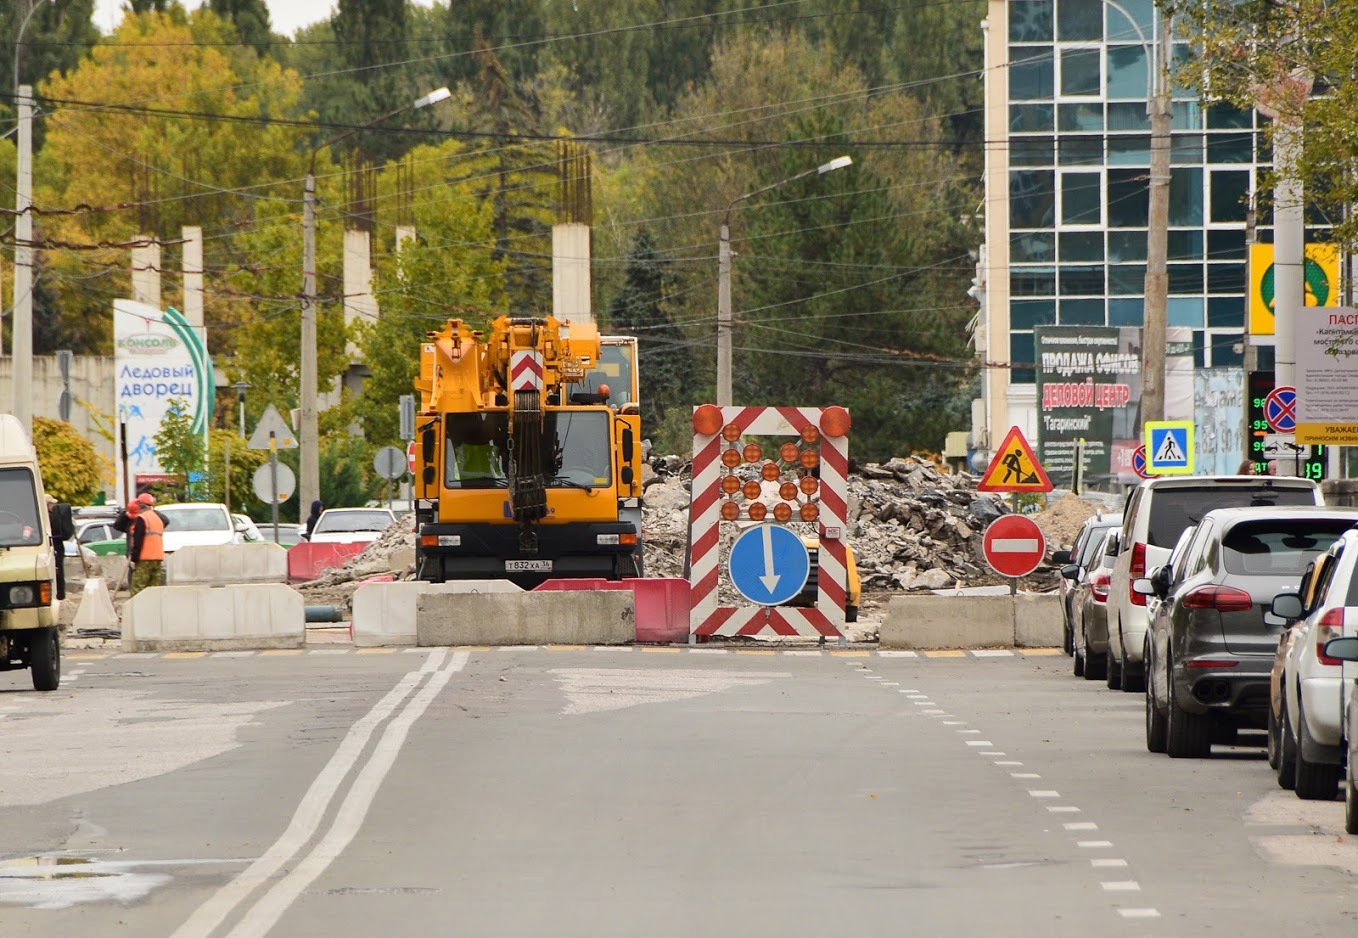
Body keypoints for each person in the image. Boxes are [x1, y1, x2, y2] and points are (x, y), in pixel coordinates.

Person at [127, 498, 165, 596]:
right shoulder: (157, 518)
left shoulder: (142, 518)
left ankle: (137, 610)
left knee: (138, 589)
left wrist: (134, 558)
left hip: (145, 558)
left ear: (140, 505)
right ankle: (152, 610)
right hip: (158, 558)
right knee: (153, 590)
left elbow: (138, 539)